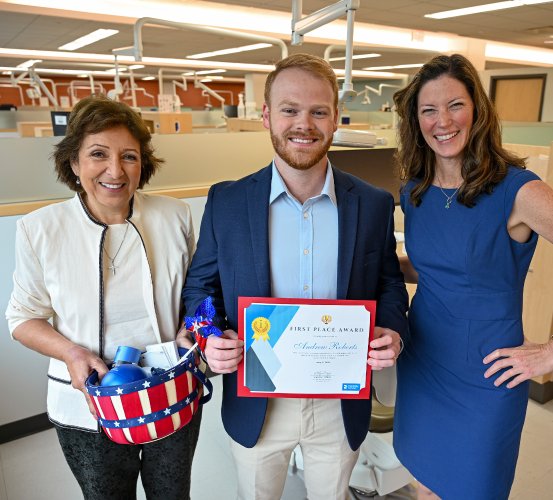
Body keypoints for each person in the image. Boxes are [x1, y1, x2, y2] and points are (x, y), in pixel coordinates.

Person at [181, 53, 408, 500]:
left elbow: (388, 282)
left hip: (339, 400)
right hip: (258, 400)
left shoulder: (373, 203)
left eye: (318, 111)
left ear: (335, 118)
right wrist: (206, 334)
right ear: (267, 115)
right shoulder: (227, 203)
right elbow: (199, 291)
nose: (303, 124)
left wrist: (394, 331)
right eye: (289, 109)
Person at [5, 95, 199, 499]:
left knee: (173, 495)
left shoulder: (175, 216)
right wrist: (72, 355)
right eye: (98, 154)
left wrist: (192, 328)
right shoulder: (40, 229)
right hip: (89, 405)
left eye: (129, 155)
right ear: (74, 163)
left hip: (169, 391)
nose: (115, 170)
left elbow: (199, 297)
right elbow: (23, 319)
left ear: (142, 163)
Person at [392, 54, 553, 500]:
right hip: (424, 360)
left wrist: (549, 355)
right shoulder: (415, 191)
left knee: (471, 487)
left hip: (488, 373)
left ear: (478, 110)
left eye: (455, 105)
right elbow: (432, 270)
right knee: (425, 481)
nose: (443, 121)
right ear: (415, 120)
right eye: (429, 110)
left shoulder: (517, 190)